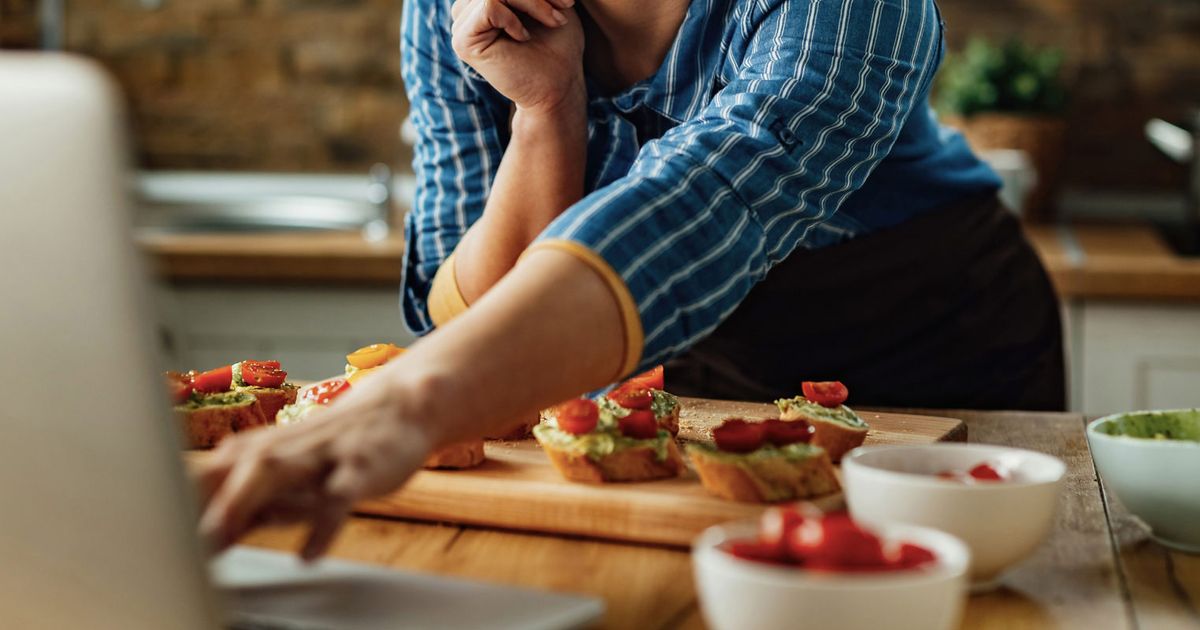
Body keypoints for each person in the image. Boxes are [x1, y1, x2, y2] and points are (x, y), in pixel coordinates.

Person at [197, 0, 1064, 558]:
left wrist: (408, 401)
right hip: (677, 359)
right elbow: (481, 352)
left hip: (936, 333)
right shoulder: (449, 8)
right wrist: (546, 111)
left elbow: (705, 208)